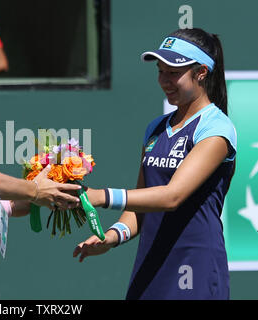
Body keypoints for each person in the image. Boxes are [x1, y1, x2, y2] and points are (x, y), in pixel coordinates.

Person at [73, 28, 236, 300]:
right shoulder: (155, 128)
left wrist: (100, 196)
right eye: (160, 71)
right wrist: (112, 237)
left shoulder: (216, 128)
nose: (164, 80)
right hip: (150, 266)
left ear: (201, 73)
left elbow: (172, 196)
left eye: (173, 72)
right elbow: (141, 207)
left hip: (195, 264)